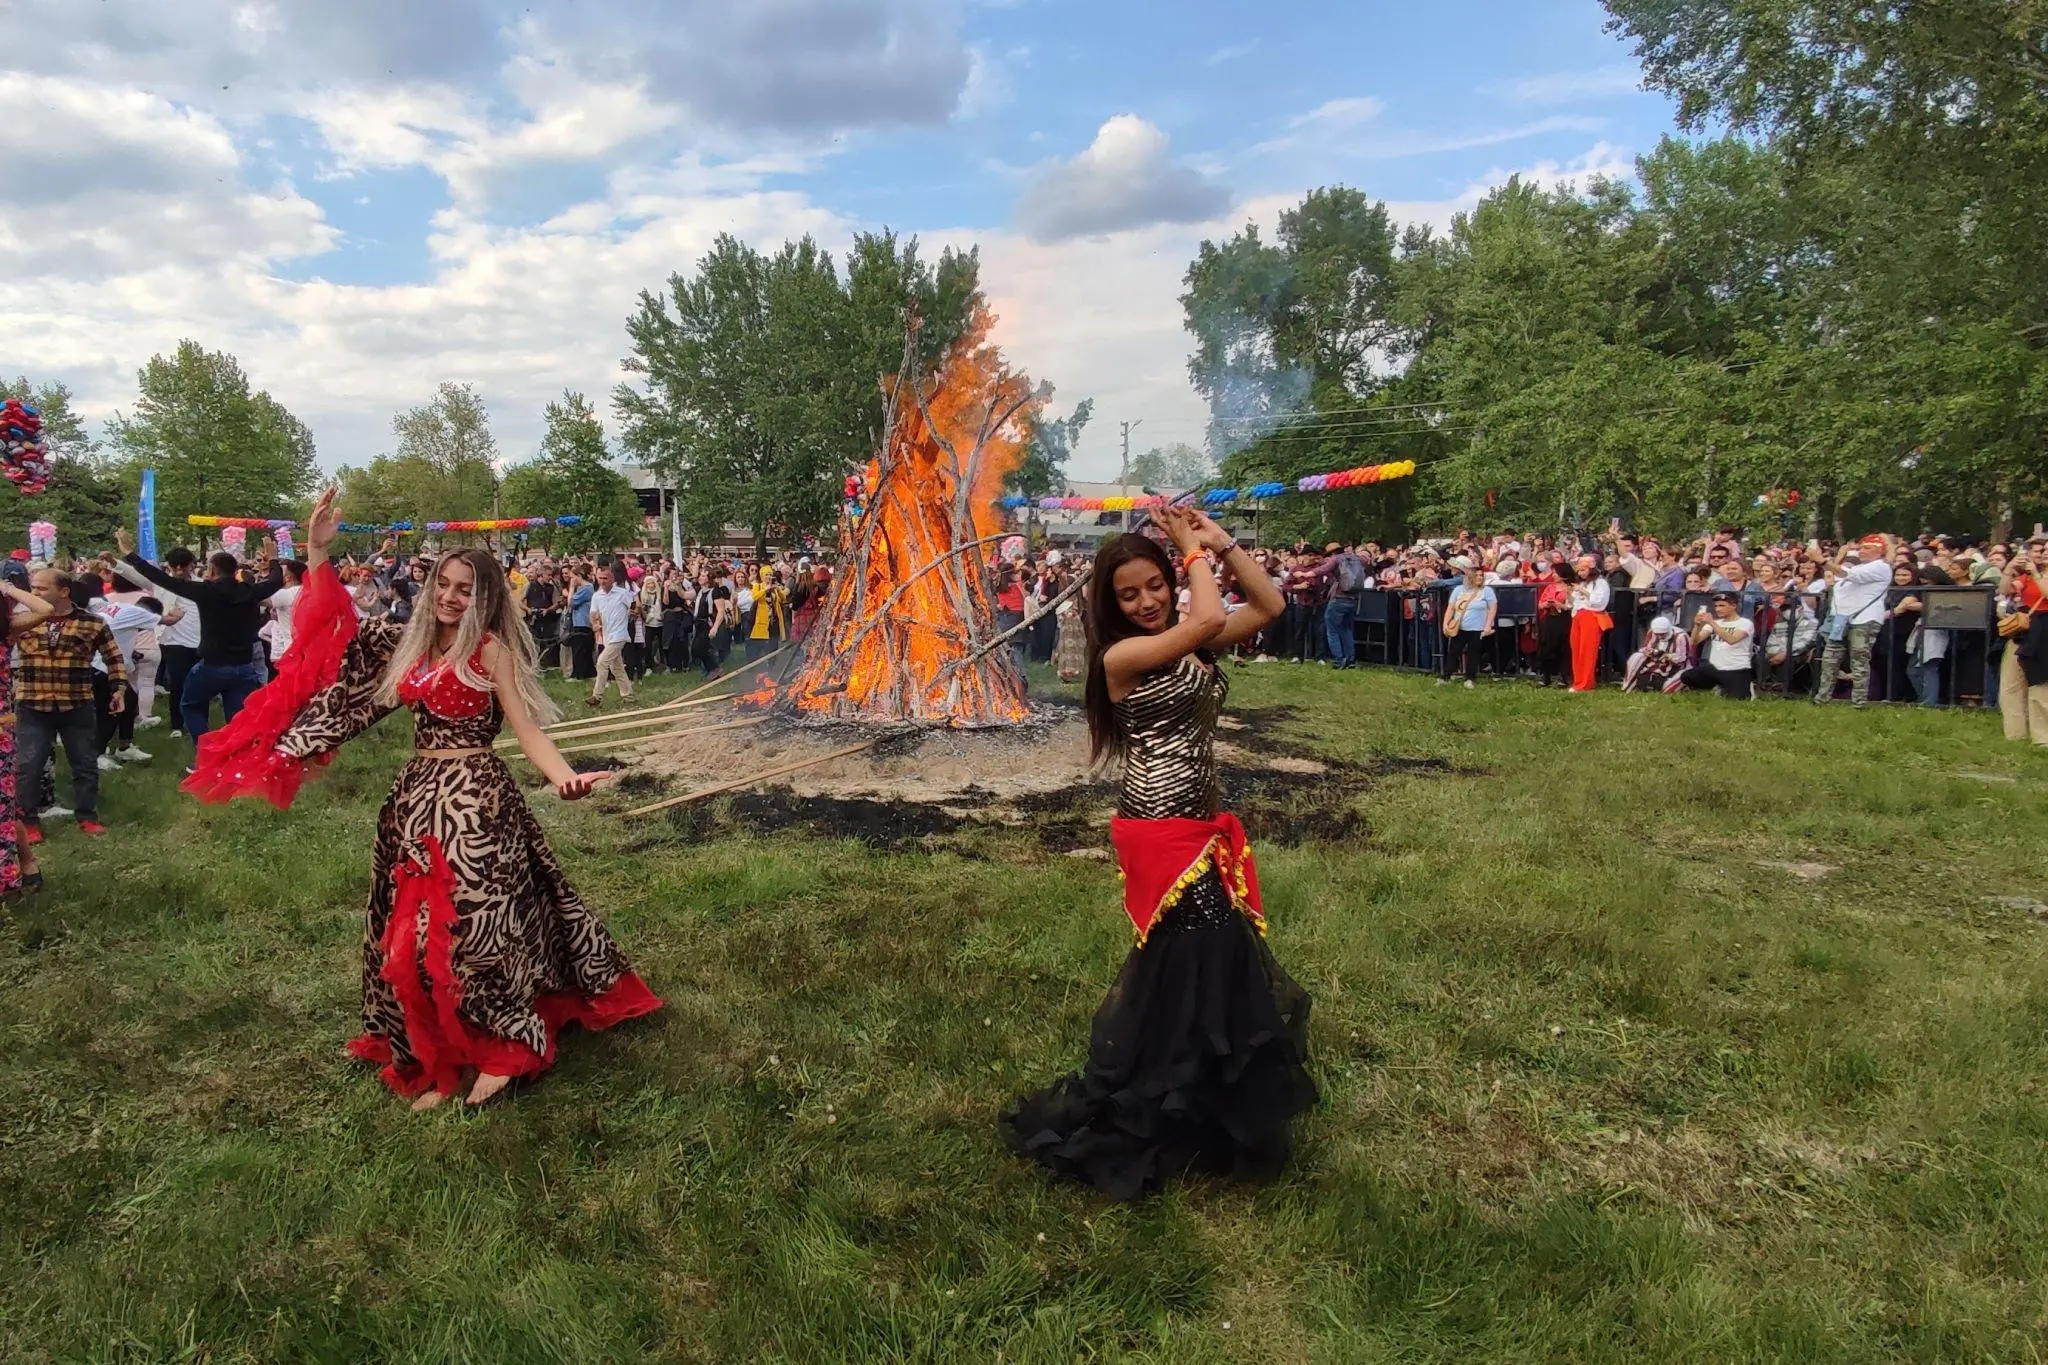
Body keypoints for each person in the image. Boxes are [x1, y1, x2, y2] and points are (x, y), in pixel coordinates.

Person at [179, 489, 662, 1108]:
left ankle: (506, 1048)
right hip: (416, 803)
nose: (451, 597)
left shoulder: (489, 651)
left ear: (485, 598)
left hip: (478, 804)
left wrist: (563, 776)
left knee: (480, 929)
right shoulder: (406, 641)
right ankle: (434, 1051)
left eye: (466, 589)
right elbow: (335, 628)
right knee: (409, 933)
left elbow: (527, 729)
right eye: (445, 584)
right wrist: (318, 549)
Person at [1001, 507, 1316, 1200]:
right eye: (1129, 593)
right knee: (1202, 947)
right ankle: (1166, 1097)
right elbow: (1204, 620)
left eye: (1154, 585)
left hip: (1198, 823)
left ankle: (1190, 1094)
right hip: (1156, 826)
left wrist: (1220, 543)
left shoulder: (1187, 642)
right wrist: (1190, 553)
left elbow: (1269, 602)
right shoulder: (1124, 657)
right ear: (1109, 606)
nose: (1146, 602)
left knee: (1202, 953)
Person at [116, 530, 284, 765]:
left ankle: (207, 754)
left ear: (213, 571)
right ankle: (236, 758)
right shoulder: (250, 592)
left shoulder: (205, 591)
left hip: (213, 665)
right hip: (244, 666)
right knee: (236, 717)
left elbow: (161, 579)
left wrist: (129, 554)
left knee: (191, 705)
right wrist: (274, 559)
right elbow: (276, 581)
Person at [15, 569, 128, 838]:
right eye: (33, 588)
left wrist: (119, 689)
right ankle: (28, 822)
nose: (35, 593)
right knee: (28, 766)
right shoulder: (22, 621)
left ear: (64, 592)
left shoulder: (93, 623)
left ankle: (87, 816)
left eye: (41, 589)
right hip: (32, 704)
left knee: (85, 763)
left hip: (76, 704)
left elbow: (113, 657)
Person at [0, 569, 56, 894]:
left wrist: (6, 587)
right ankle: (28, 864)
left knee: (4, 805)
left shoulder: (7, 630)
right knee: (6, 806)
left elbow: (45, 609)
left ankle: (21, 870)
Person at [1814, 534, 1895, 707]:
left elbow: (1844, 573)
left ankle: (1859, 701)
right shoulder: (1862, 568)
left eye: (1867, 548)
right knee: (1830, 659)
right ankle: (1822, 698)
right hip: (1841, 619)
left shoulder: (1880, 567)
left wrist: (1821, 560)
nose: (1861, 551)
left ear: (1879, 551)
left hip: (1864, 619)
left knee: (1859, 660)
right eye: (1860, 548)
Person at [1997, 535, 2048, 743]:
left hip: (2044, 630)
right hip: (2024, 630)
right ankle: (2015, 734)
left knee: (2040, 684)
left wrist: (2035, 573)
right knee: (2011, 684)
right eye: (2043, 549)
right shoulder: (2029, 575)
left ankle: (2042, 737)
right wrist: (2010, 568)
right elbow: (2005, 589)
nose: (2044, 552)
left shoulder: (2037, 575)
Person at [1674, 593, 1756, 698]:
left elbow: (1732, 640)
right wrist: (1697, 625)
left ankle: (1746, 686)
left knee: (1738, 699)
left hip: (1736, 668)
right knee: (1687, 676)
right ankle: (1716, 686)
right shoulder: (1716, 623)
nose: (1718, 609)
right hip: (1714, 667)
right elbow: (1695, 641)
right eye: (1716, 606)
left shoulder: (1745, 623)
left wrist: (1712, 623)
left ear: (1733, 606)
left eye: (1722, 606)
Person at [1438, 558, 1496, 688]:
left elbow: (1493, 608)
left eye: (1482, 575)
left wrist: (1488, 625)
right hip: (1460, 626)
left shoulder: (1487, 591)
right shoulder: (1459, 590)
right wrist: (1445, 623)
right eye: (1478, 575)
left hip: (1477, 628)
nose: (1480, 577)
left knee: (1474, 653)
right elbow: (1451, 607)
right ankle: (1446, 676)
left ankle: (1470, 678)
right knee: (1454, 651)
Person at [586, 562, 637, 707]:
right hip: (607, 636)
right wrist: (595, 623)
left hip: (619, 635)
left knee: (602, 662)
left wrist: (634, 612)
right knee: (617, 668)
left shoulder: (622, 594)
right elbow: (593, 614)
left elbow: (634, 606)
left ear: (612, 578)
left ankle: (597, 696)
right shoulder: (597, 596)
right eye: (600, 578)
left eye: (605, 578)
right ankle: (629, 695)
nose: (602, 581)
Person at [1567, 554, 1612, 692]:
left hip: (1591, 616)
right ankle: (1578, 681)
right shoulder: (1582, 583)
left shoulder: (1601, 583)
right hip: (1577, 616)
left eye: (1583, 570)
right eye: (1579, 570)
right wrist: (1569, 594)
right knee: (1576, 649)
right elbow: (1572, 603)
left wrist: (1583, 591)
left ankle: (1585, 683)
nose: (1580, 573)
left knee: (1587, 651)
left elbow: (1598, 602)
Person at [1322, 540, 1367, 669]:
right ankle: (1350, 660)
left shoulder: (1335, 560)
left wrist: (1307, 573)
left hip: (1339, 598)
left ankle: (1338, 660)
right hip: (1352, 599)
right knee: (1346, 630)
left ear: (1331, 554)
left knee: (1332, 630)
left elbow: (1322, 570)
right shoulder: (1354, 560)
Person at [1624, 615, 1690, 692]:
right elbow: (1646, 648)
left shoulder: (1680, 636)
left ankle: (1679, 684)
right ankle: (1629, 684)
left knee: (1667, 688)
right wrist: (1649, 652)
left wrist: (1668, 656)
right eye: (1657, 634)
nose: (1659, 637)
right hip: (1656, 662)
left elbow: (1682, 659)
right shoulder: (1652, 632)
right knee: (1636, 657)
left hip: (1676, 667)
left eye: (1662, 634)